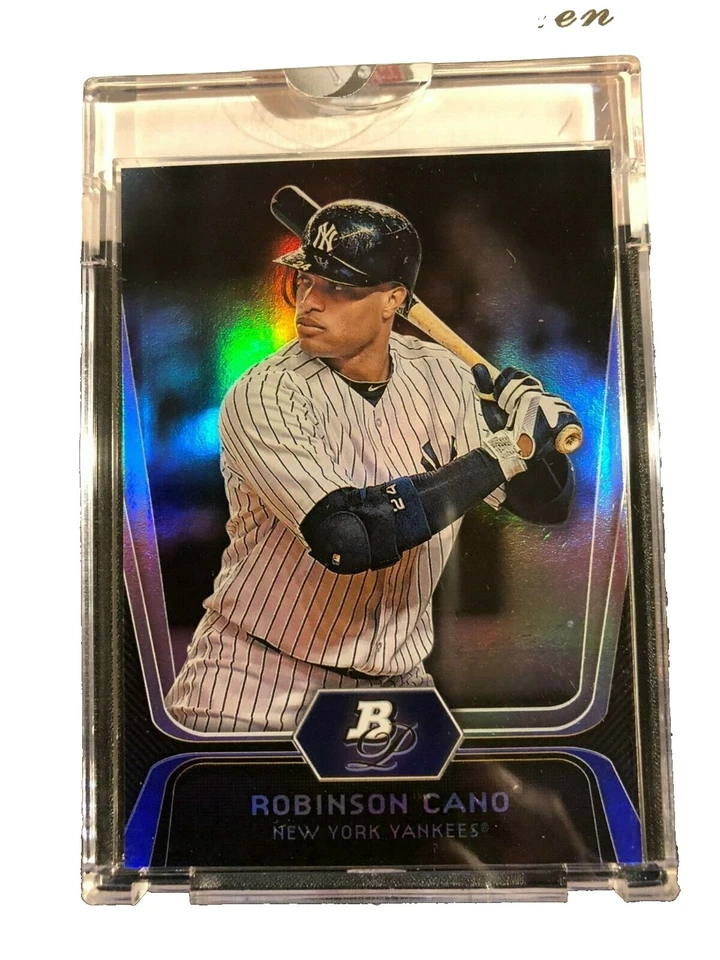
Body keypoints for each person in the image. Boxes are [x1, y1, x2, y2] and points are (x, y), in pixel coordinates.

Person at [165, 195, 578, 733]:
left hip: (396, 689)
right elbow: (347, 536)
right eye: (306, 281)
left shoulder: (440, 374)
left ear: (394, 300)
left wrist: (535, 437)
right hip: (259, 683)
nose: (311, 302)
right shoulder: (265, 392)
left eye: (339, 288)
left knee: (510, 789)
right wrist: (507, 451)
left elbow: (544, 506)